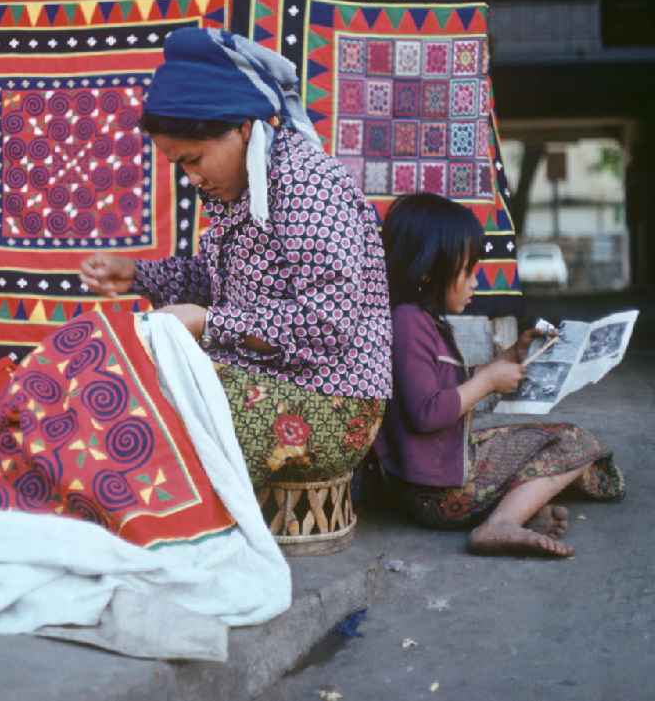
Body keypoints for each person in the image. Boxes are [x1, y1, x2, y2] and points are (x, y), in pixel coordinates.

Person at [81, 27, 392, 488]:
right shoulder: (238, 191)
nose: (192, 177)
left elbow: (329, 323)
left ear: (242, 128)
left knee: (143, 412)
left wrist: (210, 325)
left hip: (332, 401)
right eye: (179, 166)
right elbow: (217, 287)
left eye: (194, 159)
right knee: (111, 375)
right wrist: (137, 275)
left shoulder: (308, 185)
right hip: (263, 379)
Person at [374, 193, 624, 558]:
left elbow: (443, 385)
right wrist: (488, 381)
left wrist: (508, 357)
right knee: (576, 442)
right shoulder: (409, 322)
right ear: (429, 270)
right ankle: (501, 523)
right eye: (467, 271)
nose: (475, 282)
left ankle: (518, 509)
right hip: (438, 492)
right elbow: (427, 412)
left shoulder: (420, 320)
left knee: (549, 442)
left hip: (432, 478)